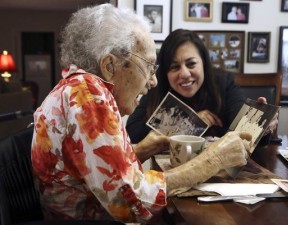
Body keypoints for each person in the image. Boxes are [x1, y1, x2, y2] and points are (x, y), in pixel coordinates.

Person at [31, 6, 252, 224]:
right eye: (148, 66)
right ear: (109, 66)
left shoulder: (76, 88)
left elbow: (100, 172)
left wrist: (146, 147)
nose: (153, 81)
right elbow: (132, 204)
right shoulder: (88, 96)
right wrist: (215, 159)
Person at [126, 29, 278, 144]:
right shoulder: (157, 87)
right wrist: (189, 122)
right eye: (174, 67)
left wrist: (260, 126)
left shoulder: (223, 82)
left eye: (191, 64)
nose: (184, 74)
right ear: (165, 72)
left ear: (204, 63)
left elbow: (241, 129)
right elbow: (132, 133)